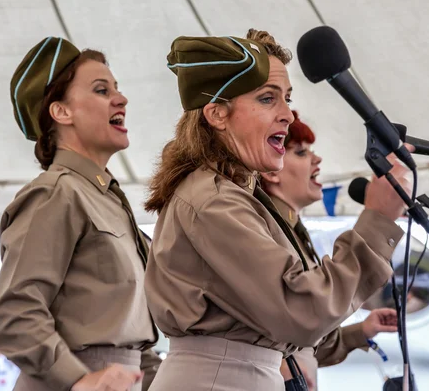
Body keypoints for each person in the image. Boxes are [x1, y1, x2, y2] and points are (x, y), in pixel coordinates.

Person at [144, 29, 410, 390]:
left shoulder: (234, 195)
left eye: (286, 98)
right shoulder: (213, 202)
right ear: (218, 114)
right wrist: (377, 221)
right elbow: (302, 312)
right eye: (268, 99)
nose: (287, 114)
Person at [0, 37, 161, 391]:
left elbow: (126, 330)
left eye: (117, 88)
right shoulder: (55, 193)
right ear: (61, 112)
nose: (121, 98)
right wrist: (79, 378)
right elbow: (16, 316)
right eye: (101, 90)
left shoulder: (107, 199)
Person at [260, 111, 399, 390]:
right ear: (270, 170)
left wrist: (362, 330)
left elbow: (308, 341)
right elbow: (299, 319)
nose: (317, 159)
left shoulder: (293, 233)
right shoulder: (263, 233)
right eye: (300, 152)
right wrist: (378, 217)